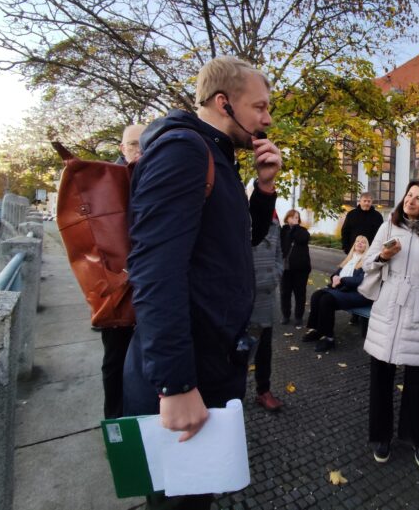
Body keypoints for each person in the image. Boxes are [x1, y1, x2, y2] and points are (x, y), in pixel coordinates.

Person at [124, 56, 281, 509]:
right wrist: (175, 384)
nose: (267, 119)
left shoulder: (217, 155)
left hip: (209, 362)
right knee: (179, 501)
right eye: (260, 107)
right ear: (223, 102)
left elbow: (238, 241)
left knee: (195, 498)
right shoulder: (185, 150)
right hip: (186, 372)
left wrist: (264, 188)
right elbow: (155, 270)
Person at [363, 181, 419, 470]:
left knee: (417, 381)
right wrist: (383, 256)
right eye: (409, 195)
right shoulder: (388, 226)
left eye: (418, 198)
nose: (411, 201)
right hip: (387, 309)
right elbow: (367, 262)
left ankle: (416, 438)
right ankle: (381, 436)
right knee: (381, 377)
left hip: (418, 312)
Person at [100, 123, 145, 419]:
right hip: (117, 285)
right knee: (116, 358)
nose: (140, 151)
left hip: (149, 284)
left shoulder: (156, 176)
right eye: (133, 144)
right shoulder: (108, 181)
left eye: (146, 144)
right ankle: (116, 424)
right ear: (122, 148)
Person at [301, 235, 371, 352]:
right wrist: (334, 278)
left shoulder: (367, 262)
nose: (359, 243)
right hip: (343, 290)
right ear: (354, 245)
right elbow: (336, 274)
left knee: (326, 300)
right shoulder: (349, 259)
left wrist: (341, 280)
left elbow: (359, 280)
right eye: (357, 241)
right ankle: (318, 330)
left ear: (366, 247)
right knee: (316, 295)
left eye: (363, 242)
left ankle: (329, 339)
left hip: (357, 293)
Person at [251, 211, 284, 412]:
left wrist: (275, 276)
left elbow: (279, 253)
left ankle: (263, 390)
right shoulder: (238, 213)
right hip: (243, 295)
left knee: (264, 347)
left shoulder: (273, 219)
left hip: (267, 295)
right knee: (239, 348)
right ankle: (231, 393)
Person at [280, 209, 311, 326]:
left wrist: (295, 227)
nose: (295, 219)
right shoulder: (283, 231)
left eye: (297, 217)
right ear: (287, 218)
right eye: (292, 217)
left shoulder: (302, 231)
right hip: (285, 268)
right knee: (285, 293)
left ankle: (298, 316)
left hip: (300, 269)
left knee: (300, 293)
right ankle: (285, 315)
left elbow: (302, 239)